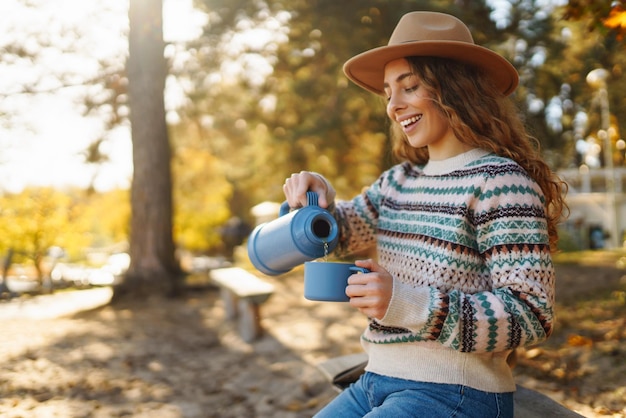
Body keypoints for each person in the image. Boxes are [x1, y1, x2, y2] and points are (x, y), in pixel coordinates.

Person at [282, 11, 568, 418]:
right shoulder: (398, 182)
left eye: (409, 87)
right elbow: (337, 234)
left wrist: (406, 302)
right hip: (375, 381)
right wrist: (317, 202)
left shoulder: (499, 182)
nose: (394, 106)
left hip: (457, 392)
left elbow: (531, 313)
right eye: (387, 93)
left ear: (455, 88)